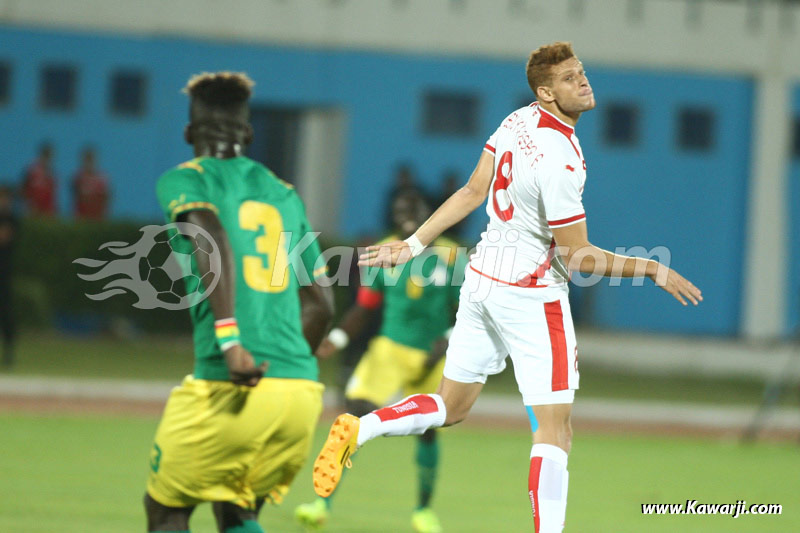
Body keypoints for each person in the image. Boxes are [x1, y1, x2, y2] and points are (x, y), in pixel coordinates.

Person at [311, 42, 703, 532]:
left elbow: (474, 191)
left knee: (450, 406)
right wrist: (652, 269)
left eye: (582, 72)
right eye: (569, 78)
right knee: (555, 430)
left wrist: (412, 244)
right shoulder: (559, 159)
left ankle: (362, 427)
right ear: (546, 93)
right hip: (532, 295)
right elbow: (577, 255)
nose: (583, 82)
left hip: (481, 281)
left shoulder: (517, 121)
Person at [144, 71, 334, 533]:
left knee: (167, 508)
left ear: (190, 134)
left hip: (228, 383)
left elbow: (209, 233)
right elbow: (322, 306)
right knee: (237, 510)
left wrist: (230, 341)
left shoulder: (184, 179)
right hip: (299, 393)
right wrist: (282, 372)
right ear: (247, 135)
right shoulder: (285, 194)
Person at [295, 191, 463, 533]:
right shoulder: (386, 250)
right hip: (389, 348)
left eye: (414, 207)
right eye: (401, 209)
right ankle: (322, 503)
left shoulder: (452, 256)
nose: (407, 214)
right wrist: (337, 338)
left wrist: (445, 341)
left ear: (430, 212)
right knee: (352, 414)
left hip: (431, 353)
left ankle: (423, 510)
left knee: (430, 431)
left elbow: (468, 312)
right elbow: (366, 304)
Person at [0, 185, 17, 368]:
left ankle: (8, 353)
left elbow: (5, 237)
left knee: (6, 314)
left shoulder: (12, 219)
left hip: (4, 273)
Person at [72, 146, 110, 220]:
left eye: (91, 159)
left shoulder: (102, 179)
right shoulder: (78, 178)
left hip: (98, 218)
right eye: (87, 159)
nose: (89, 162)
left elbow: (106, 198)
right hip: (82, 218)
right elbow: (77, 197)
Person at [21, 143, 57, 216]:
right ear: (40, 154)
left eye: (49, 156)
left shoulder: (52, 174)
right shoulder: (31, 170)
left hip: (47, 211)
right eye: (45, 155)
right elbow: (23, 188)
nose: (47, 158)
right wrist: (27, 204)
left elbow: (53, 194)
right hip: (32, 210)